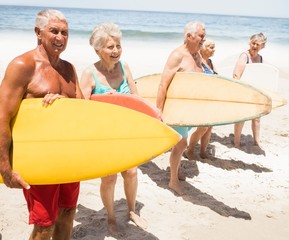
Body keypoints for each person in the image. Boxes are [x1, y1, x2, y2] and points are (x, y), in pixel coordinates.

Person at [0, 9, 83, 239]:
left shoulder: (68, 69)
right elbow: (2, 118)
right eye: (54, 31)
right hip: (39, 157)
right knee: (44, 224)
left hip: (68, 156)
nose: (60, 38)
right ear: (38, 32)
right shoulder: (22, 66)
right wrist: (5, 168)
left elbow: (85, 111)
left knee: (67, 212)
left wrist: (66, 102)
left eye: (65, 33)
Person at [79, 23, 147, 235]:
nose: (116, 50)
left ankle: (132, 210)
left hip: (127, 131)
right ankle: (110, 218)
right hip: (104, 134)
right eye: (110, 47)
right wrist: (103, 101)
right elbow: (80, 107)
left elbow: (137, 98)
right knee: (109, 178)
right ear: (98, 50)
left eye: (118, 45)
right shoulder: (90, 74)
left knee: (131, 172)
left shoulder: (124, 67)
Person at [157, 21, 206, 196]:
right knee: (181, 144)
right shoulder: (177, 55)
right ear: (189, 36)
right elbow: (163, 84)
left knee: (180, 143)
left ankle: (176, 171)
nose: (203, 39)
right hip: (175, 106)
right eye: (201, 35)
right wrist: (158, 111)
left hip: (189, 108)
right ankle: (173, 181)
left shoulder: (197, 55)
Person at [184, 38, 217, 160]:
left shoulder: (210, 62)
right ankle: (190, 150)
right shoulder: (197, 61)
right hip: (199, 99)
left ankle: (203, 152)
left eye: (214, 47)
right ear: (202, 47)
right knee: (203, 127)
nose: (214, 50)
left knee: (209, 127)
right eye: (211, 47)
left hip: (210, 98)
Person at [233, 32, 267, 148]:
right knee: (241, 116)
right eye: (253, 43)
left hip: (255, 91)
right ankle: (236, 142)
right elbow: (236, 75)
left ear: (262, 46)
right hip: (243, 90)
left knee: (257, 117)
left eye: (258, 44)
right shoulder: (244, 56)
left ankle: (257, 142)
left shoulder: (260, 58)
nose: (255, 46)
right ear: (249, 42)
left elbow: (260, 76)